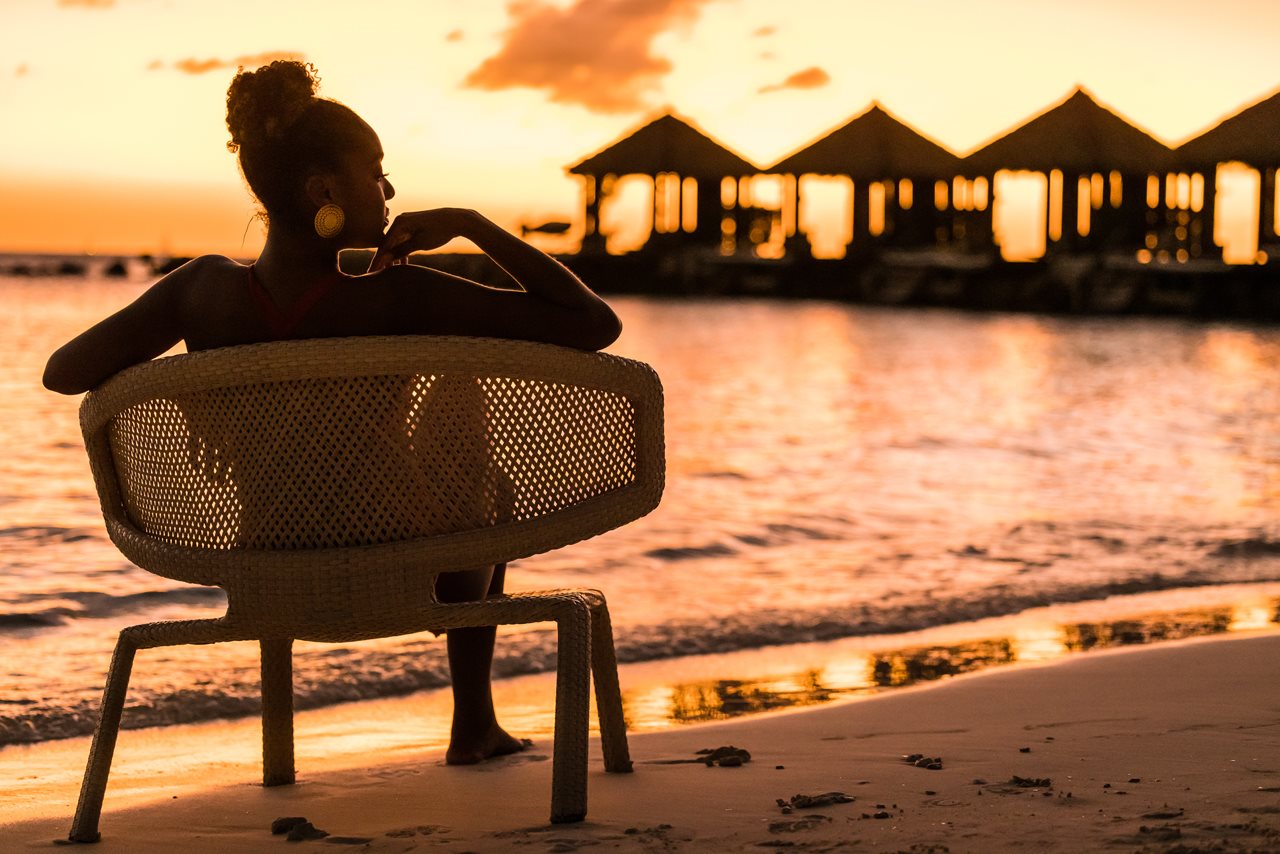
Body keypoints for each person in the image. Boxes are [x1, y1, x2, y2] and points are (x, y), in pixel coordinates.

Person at [43, 60, 621, 766]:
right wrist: (472, 226)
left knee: (453, 418)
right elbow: (593, 324)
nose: (389, 188)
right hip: (413, 567)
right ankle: (474, 723)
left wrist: (199, 390)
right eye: (376, 171)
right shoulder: (398, 298)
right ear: (324, 190)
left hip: (264, 564)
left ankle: (448, 726)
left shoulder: (199, 292)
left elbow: (63, 372)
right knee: (475, 448)